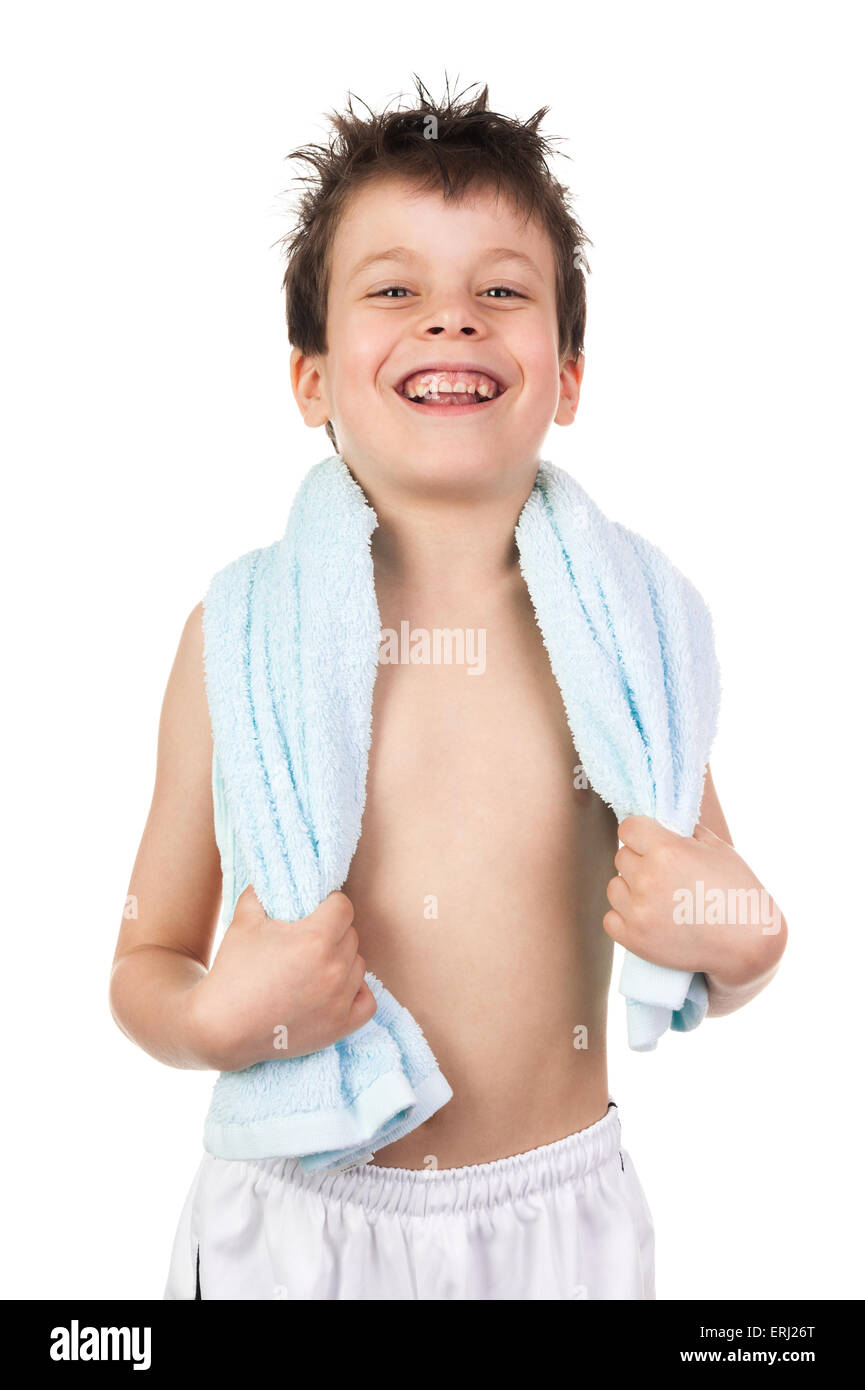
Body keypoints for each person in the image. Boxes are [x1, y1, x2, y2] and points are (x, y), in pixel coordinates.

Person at [110, 79, 787, 1300]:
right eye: (393, 290)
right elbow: (146, 959)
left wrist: (747, 941)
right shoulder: (239, 636)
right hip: (303, 1221)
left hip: (552, 1229)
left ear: (565, 377)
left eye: (500, 291)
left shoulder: (625, 642)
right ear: (312, 381)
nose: (450, 322)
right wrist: (216, 1021)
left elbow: (705, 909)